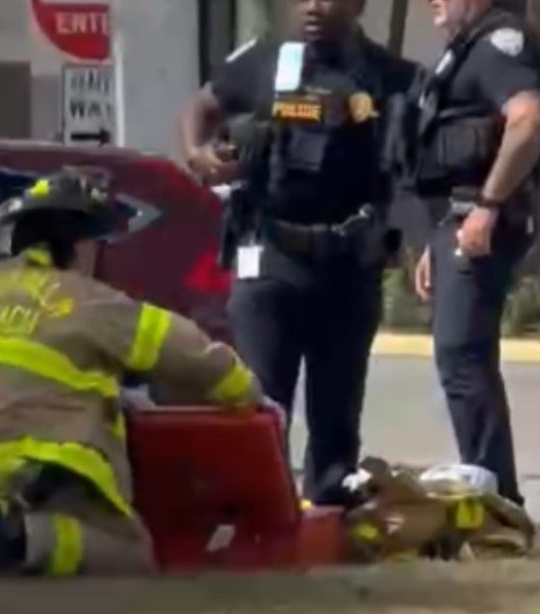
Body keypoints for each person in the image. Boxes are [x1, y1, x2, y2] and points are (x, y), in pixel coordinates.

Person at [0, 168, 271, 576]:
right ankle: (19, 538)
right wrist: (248, 392)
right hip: (36, 463)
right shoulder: (86, 301)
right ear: (79, 244)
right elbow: (186, 352)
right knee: (129, 554)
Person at [180, 0, 420, 505]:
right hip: (271, 258)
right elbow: (202, 107)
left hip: (348, 266)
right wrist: (201, 156)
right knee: (261, 407)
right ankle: (254, 517)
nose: (311, 6)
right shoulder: (264, 58)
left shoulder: (389, 75)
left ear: (356, 6)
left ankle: (329, 519)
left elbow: (415, 168)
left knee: (336, 416)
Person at [406, 0, 540, 507]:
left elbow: (529, 120)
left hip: (481, 222)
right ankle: (493, 491)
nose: (434, 3)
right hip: (459, 222)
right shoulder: (465, 50)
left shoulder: (500, 44)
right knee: (461, 358)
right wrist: (440, 235)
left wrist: (487, 207)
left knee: (463, 357)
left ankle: (498, 501)